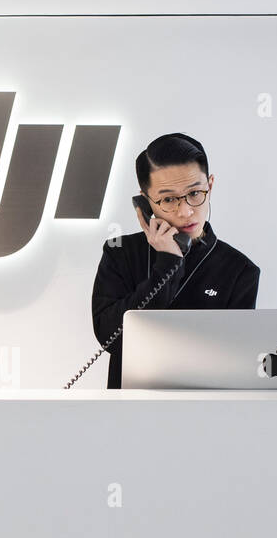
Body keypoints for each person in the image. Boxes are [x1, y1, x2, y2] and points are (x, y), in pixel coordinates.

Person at [90, 133, 260, 388]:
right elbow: (111, 339)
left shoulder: (240, 270)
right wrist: (167, 263)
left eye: (195, 193)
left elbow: (235, 361)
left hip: (206, 415)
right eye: (168, 199)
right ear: (145, 202)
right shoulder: (120, 253)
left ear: (210, 186)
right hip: (128, 414)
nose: (186, 211)